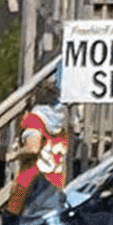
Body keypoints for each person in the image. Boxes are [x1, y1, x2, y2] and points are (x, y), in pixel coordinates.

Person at [9, 74, 68, 215]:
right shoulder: (61, 121)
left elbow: (33, 147)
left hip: (31, 184)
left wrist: (14, 155)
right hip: (54, 182)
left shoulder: (35, 118)